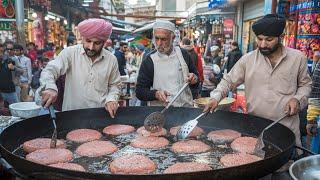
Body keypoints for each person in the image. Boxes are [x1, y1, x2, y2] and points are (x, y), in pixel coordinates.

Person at [205, 14, 312, 152]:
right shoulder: (247, 60)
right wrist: (216, 97)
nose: (263, 44)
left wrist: (298, 100)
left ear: (281, 37)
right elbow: (228, 80)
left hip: (286, 129)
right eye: (259, 39)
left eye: (269, 40)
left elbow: (305, 85)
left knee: (285, 168)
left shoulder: (298, 58)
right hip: (256, 129)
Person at [40, 18, 121, 118]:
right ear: (82, 38)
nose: (91, 47)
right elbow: (50, 70)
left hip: (100, 116)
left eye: (97, 43)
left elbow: (115, 85)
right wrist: (50, 87)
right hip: (71, 116)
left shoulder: (111, 60)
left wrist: (112, 99)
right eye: (88, 41)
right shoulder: (70, 53)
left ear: (104, 42)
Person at [136, 20, 199, 107]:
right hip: (162, 111)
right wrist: (156, 94)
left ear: (172, 38)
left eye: (163, 39)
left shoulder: (183, 54)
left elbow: (196, 77)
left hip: (185, 109)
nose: (159, 43)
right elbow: (140, 91)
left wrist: (194, 79)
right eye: (157, 38)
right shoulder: (149, 60)